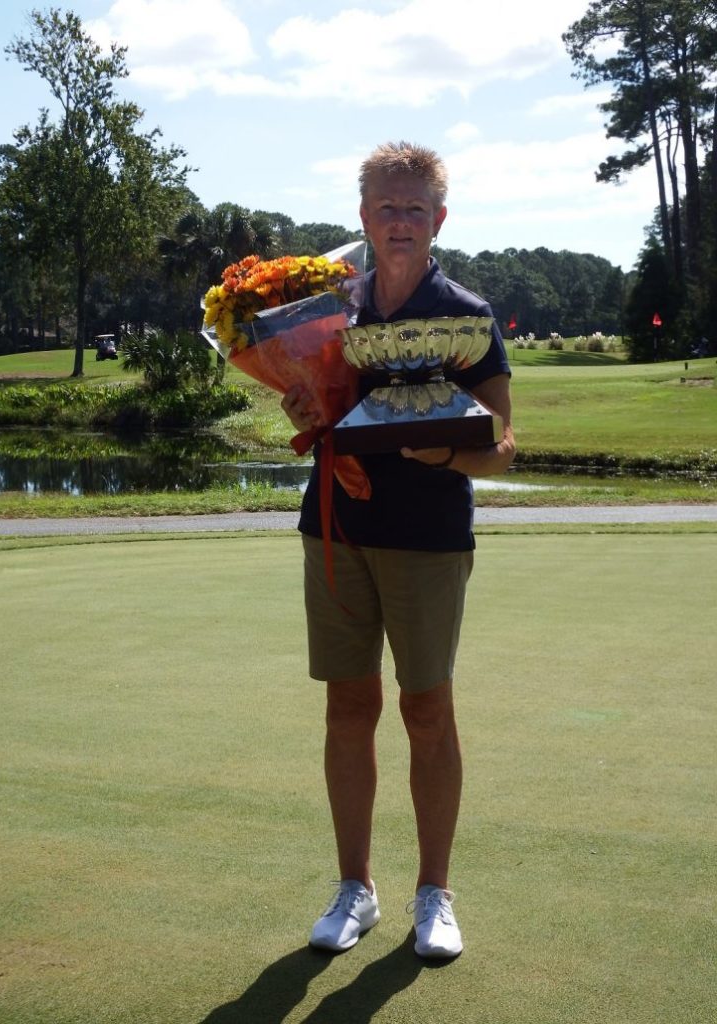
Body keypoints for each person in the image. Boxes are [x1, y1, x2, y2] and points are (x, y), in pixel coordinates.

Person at [280, 141, 515, 959]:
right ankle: (357, 888)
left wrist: (444, 453)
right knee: (349, 708)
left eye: (416, 208)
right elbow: (313, 420)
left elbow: (503, 445)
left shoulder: (466, 312)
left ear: (439, 219)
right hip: (337, 531)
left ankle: (434, 894)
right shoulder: (326, 310)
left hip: (428, 538)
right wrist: (303, 405)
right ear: (364, 217)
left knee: (427, 711)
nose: (401, 221)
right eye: (387, 206)